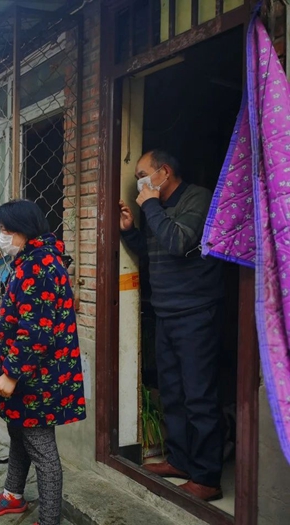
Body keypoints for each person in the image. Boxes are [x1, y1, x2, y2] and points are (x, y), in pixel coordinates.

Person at [119, 150, 225, 501]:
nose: (139, 182)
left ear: (164, 172)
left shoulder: (198, 199)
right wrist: (130, 232)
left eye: (142, 175)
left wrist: (150, 205)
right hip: (166, 313)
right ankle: (180, 460)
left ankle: (207, 477)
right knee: (173, 394)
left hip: (196, 314)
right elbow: (156, 251)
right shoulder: (158, 208)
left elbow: (179, 242)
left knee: (199, 396)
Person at [0, 200, 86, 525]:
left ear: (24, 230)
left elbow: (36, 332)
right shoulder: (29, 260)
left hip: (37, 378)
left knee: (42, 450)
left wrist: (10, 374)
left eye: (6, 230)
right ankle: (13, 495)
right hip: (27, 375)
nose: (2, 237)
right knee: (19, 435)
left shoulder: (39, 266)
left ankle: (49, 519)